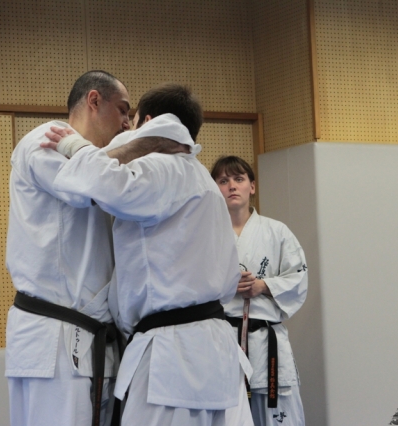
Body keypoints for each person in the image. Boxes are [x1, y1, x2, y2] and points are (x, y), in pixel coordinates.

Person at [42, 84, 254, 426]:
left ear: (150, 122)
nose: (126, 127)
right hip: (215, 349)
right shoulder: (203, 180)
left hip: (174, 356)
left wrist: (74, 146)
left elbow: (93, 182)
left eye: (134, 118)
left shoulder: (163, 166)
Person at [5, 70, 185, 426]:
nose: (127, 123)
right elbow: (86, 185)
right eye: (123, 110)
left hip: (92, 338)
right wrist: (145, 145)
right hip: (55, 335)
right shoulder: (47, 139)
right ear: (94, 100)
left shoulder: (106, 166)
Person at [211, 156, 308, 426]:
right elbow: (190, 285)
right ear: (214, 189)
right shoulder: (207, 234)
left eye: (238, 179)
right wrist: (227, 286)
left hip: (267, 344)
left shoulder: (277, 232)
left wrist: (263, 286)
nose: (232, 186)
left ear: (252, 186)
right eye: (223, 181)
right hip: (223, 340)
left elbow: (299, 277)